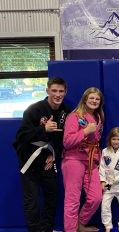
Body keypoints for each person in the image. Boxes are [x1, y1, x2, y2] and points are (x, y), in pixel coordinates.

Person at [13, 77, 69, 232]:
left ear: (65, 92)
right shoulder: (34, 110)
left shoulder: (65, 112)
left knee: (52, 196)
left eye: (61, 91)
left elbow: (62, 138)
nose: (57, 94)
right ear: (47, 91)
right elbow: (21, 137)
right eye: (54, 91)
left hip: (48, 161)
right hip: (29, 160)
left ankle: (47, 229)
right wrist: (43, 129)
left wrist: (54, 154)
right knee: (32, 201)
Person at [62, 87, 104, 232]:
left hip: (91, 161)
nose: (94, 101)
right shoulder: (74, 116)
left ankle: (80, 224)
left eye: (97, 99)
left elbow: (95, 142)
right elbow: (67, 141)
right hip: (74, 160)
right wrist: (85, 131)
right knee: (72, 200)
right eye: (91, 98)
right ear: (85, 99)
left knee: (96, 197)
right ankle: (71, 230)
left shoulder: (98, 117)